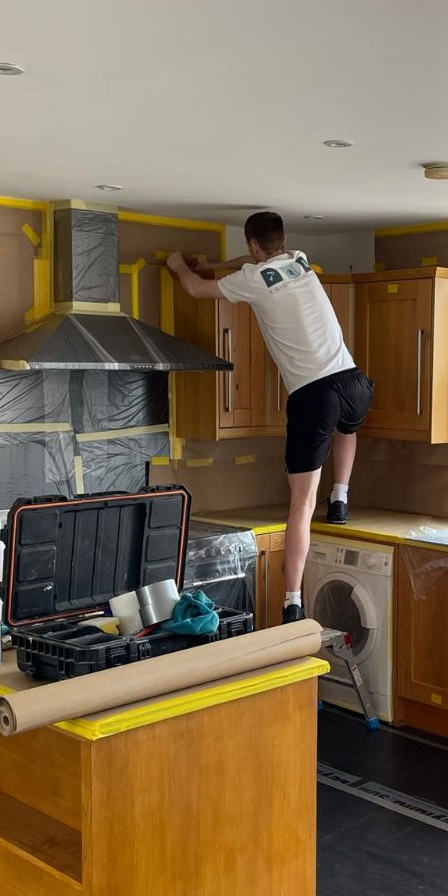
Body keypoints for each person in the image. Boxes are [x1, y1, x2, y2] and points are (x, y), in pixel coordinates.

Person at [168, 212, 374, 625]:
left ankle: (292, 602)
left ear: (252, 245)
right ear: (281, 240)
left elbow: (194, 290)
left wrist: (177, 265)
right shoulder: (299, 259)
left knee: (300, 504)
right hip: (354, 382)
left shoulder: (250, 280)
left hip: (313, 393)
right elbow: (250, 267)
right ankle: (341, 497)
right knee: (349, 428)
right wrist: (218, 262)